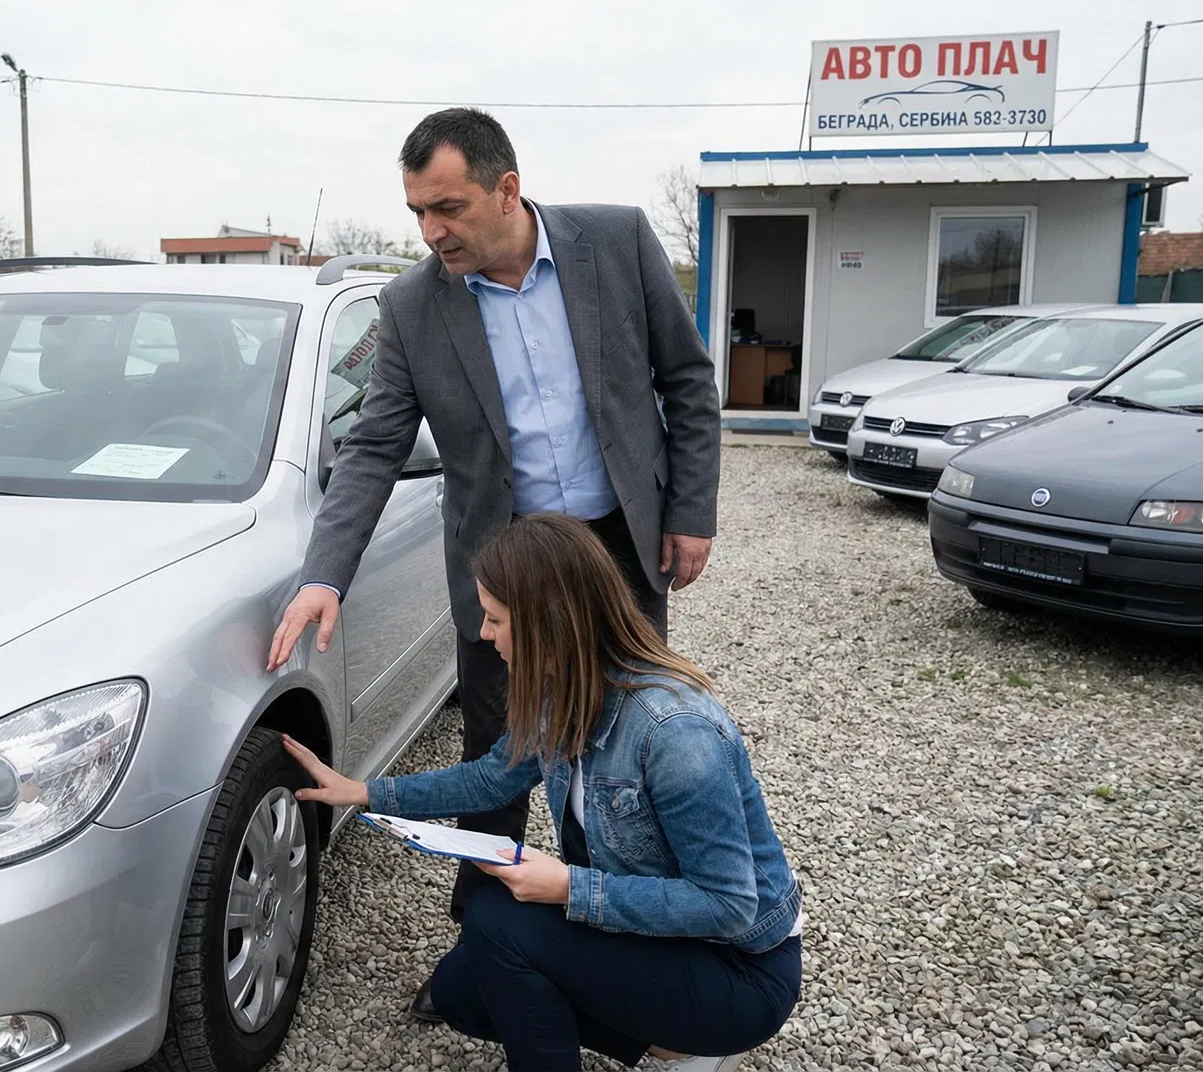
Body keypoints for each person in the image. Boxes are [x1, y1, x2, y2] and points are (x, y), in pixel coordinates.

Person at [265, 106, 722, 1014]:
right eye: (417, 213)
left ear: (507, 189)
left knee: (623, 752)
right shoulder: (410, 306)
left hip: (617, 552)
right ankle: (481, 952)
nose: (431, 233)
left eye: (448, 208)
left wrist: (691, 511)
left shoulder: (618, 242)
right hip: (500, 574)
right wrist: (325, 575)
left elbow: (686, 381)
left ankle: (618, 942)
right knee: (496, 759)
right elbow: (373, 447)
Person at [281, 513, 801, 1072]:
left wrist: (568, 887)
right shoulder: (564, 694)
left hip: (737, 969)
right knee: (462, 992)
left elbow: (727, 905)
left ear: (549, 624)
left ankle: (691, 1033)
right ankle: (667, 1043)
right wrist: (362, 791)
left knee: (496, 925)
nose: (483, 634)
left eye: (496, 619)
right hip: (657, 938)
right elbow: (488, 779)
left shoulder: (674, 732)